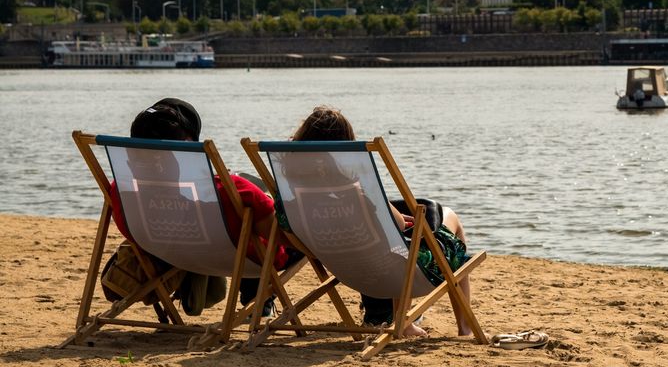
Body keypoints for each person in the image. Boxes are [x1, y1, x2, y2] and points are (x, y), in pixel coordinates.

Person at [288, 105, 474, 337]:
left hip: (343, 268)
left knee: (396, 243)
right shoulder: (353, 186)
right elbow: (395, 225)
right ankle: (463, 328)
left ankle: (404, 321)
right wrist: (401, 219)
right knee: (449, 219)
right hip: (388, 271)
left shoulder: (290, 187)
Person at [109, 98, 286, 316]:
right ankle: (257, 300)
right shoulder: (232, 191)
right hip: (233, 259)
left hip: (163, 251)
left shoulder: (121, 190)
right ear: (188, 143)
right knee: (262, 235)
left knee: (245, 229)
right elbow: (281, 236)